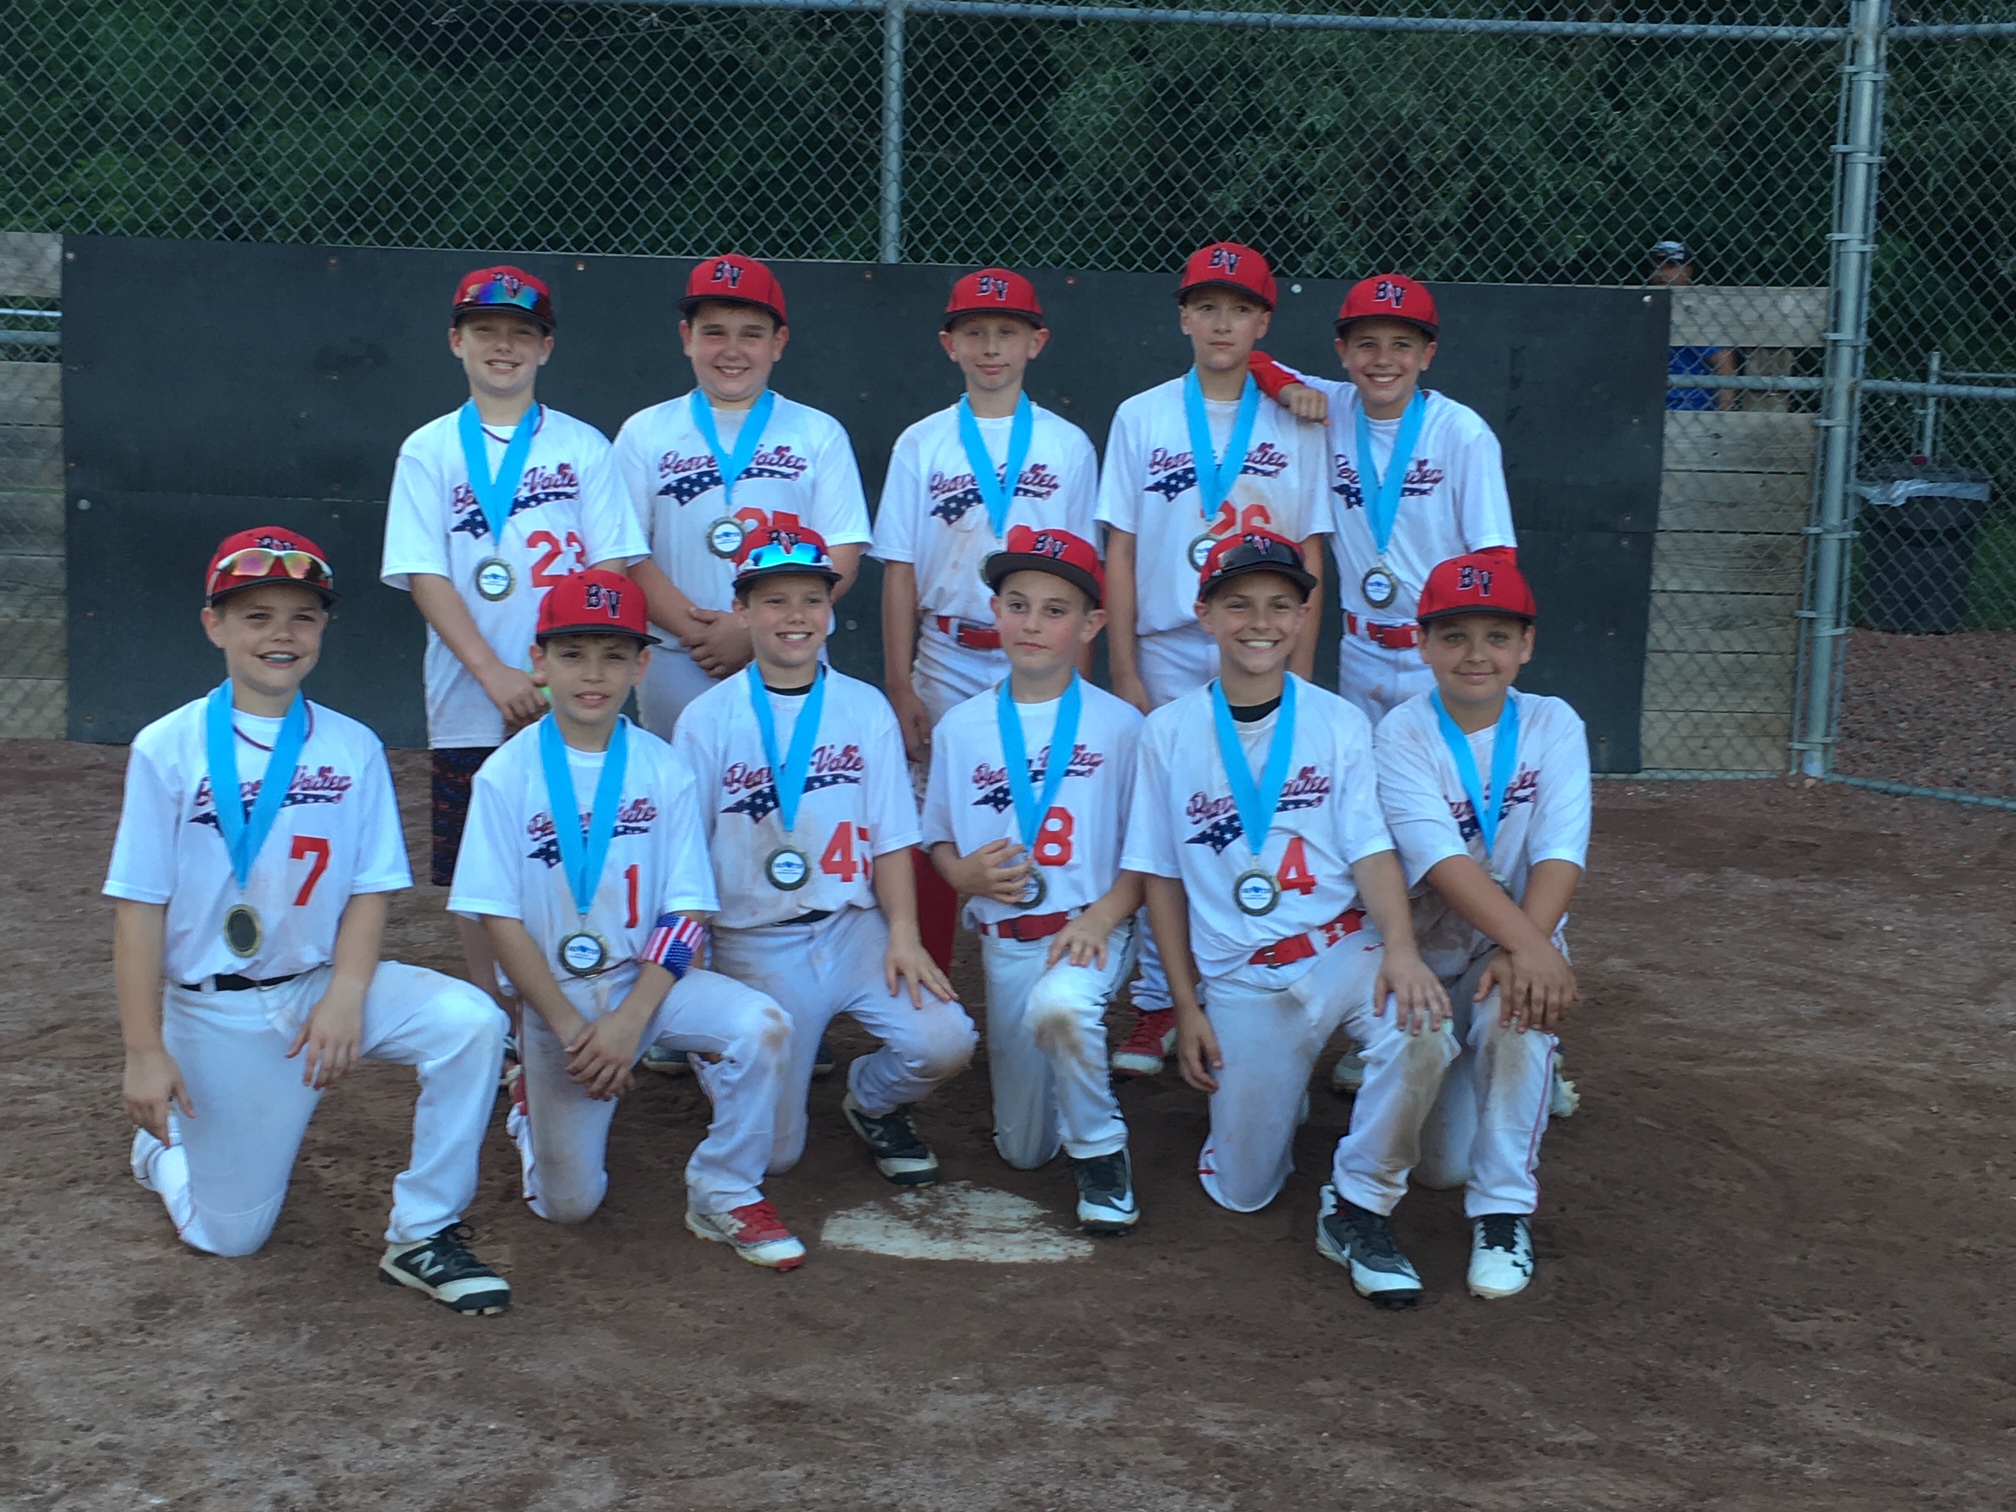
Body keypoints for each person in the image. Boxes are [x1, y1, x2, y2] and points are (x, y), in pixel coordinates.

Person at [110, 528, 511, 1313]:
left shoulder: (352, 746)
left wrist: (349, 992)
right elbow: (138, 910)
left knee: (470, 1021)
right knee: (230, 1238)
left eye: (302, 616)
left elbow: (369, 889)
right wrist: (143, 1050)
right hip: (215, 1010)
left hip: (318, 985)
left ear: (324, 629)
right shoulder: (167, 746)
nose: (280, 634)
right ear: (213, 626)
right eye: (255, 615)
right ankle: (165, 1158)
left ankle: (424, 1230)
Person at [1120, 528, 1456, 1308]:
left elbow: (1372, 852)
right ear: (1204, 616)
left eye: (1281, 604)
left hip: (1341, 948)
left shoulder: (1338, 721)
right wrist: (1183, 1004)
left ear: (1306, 618)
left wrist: (1400, 949)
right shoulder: (1168, 733)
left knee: (1424, 1028)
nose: (1259, 621)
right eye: (1237, 605)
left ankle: (1359, 1203)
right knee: (1243, 1191)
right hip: (1244, 977)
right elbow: (1160, 879)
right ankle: (1271, 1091)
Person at [449, 569, 808, 1270]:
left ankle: (724, 1186)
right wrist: (567, 1028)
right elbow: (496, 919)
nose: (594, 674)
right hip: (558, 1001)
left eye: (614, 655)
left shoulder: (663, 767)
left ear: (643, 664)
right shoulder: (505, 774)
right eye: (573, 653)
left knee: (763, 1026)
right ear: (539, 660)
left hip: (650, 985)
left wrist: (628, 1021)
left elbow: (686, 911)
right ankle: (531, 1111)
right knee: (569, 1205)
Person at [380, 265, 647, 1031]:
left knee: (575, 839)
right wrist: (494, 670)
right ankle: (495, 1008)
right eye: (487, 332)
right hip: (471, 690)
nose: (504, 347)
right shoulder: (429, 450)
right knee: (478, 860)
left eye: (521, 334)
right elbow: (425, 573)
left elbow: (611, 566)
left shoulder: (581, 446)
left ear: (546, 347)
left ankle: (581, 983)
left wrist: (560, 668)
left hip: (573, 686)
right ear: (456, 341)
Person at [673, 524, 975, 1187]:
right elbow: (684, 855)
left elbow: (892, 839)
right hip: (752, 940)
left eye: (811, 599)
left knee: (946, 1040)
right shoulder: (706, 720)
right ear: (743, 611)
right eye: (773, 600)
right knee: (776, 1156)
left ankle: (872, 1100)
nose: (795, 617)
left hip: (851, 928)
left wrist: (903, 934)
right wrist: (694, 973)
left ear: (831, 612)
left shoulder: (865, 710)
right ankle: (714, 1055)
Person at [1095, 241, 1329, 1079]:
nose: (1222, 322)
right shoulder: (1143, 415)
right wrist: (1122, 668)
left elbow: (1308, 548)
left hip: (1262, 643)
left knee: (1250, 820)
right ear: (1183, 317)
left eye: (1240, 309)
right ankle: (1158, 1001)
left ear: (1263, 323)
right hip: (1164, 645)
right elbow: (1118, 550)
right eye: (1207, 306)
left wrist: (1300, 662)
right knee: (1161, 823)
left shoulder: (1295, 416)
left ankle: (1250, 982)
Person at [1373, 552, 1590, 1299]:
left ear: (1526, 645)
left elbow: (1562, 852)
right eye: (1454, 635)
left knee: (1519, 1007)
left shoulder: (1555, 723)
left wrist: (1523, 950)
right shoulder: (1401, 733)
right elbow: (1440, 862)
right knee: (1437, 1169)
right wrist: (1535, 949)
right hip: (1431, 952)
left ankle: (1503, 1213)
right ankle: (1497, 1067)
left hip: (1515, 936)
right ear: (1422, 643)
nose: (1476, 655)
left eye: (1497, 636)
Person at [874, 267, 1101, 972]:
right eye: (975, 332)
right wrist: (900, 684)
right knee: (930, 805)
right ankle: (929, 970)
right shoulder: (923, 442)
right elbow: (900, 570)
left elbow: (1086, 575)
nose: (991, 346)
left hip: (1039, 652)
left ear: (1038, 341)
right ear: (949, 344)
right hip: (947, 648)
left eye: (1007, 332)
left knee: (1047, 789)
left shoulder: (1066, 445)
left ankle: (1054, 957)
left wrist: (1080, 688)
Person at [923, 527, 1147, 1234]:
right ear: (994, 612)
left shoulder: (1121, 726)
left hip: (1094, 926)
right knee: (1023, 1150)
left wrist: (1104, 917)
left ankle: (1104, 1156)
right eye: (1017, 604)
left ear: (1092, 625)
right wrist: (959, 873)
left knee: (1061, 1007)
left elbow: (1148, 855)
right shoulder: (961, 727)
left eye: (1056, 610)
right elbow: (937, 839)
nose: (1033, 624)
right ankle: (1073, 1078)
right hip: (1009, 938)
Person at [613, 254, 872, 738]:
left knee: (790, 793)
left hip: (790, 651)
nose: (732, 349)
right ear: (686, 337)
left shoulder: (819, 433)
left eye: (751, 333)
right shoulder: (645, 432)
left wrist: (755, 632)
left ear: (779, 343)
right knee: (681, 801)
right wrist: (703, 637)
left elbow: (843, 552)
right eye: (714, 332)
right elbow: (627, 552)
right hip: (680, 656)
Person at [1248, 274, 1517, 726]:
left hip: (1436, 651)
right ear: (1343, 352)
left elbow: (1496, 558)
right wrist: (1289, 390)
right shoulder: (1332, 406)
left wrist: (1469, 646)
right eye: (1367, 344)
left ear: (1427, 355)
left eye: (1402, 345)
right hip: (1360, 650)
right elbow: (1253, 360)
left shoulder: (1460, 431)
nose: (1384, 360)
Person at [1649, 240, 1737, 412]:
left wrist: (1723, 409)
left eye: (1670, 265)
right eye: (1657, 266)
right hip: (1652, 406)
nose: (1661, 273)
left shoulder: (1693, 309)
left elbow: (1723, 360)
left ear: (1688, 270)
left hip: (1690, 407)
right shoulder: (1650, 307)